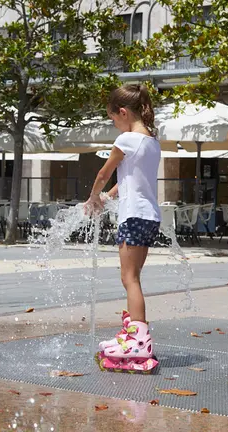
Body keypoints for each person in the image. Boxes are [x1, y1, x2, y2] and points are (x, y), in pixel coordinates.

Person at [84, 83, 161, 373]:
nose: (114, 124)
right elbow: (130, 179)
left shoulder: (127, 139)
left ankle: (138, 341)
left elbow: (104, 172)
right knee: (134, 277)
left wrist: (93, 198)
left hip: (133, 216)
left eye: (113, 118)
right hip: (150, 216)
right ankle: (133, 334)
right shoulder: (152, 140)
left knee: (129, 279)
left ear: (124, 112)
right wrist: (108, 197)